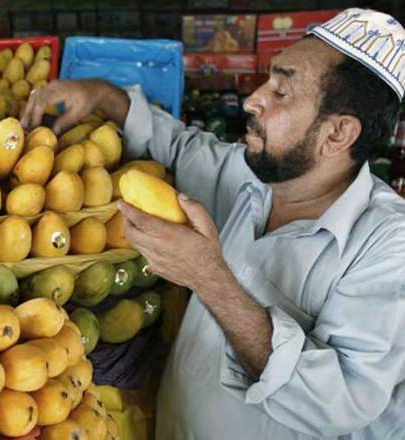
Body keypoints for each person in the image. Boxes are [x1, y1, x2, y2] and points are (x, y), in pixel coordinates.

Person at [21, 8, 405, 439]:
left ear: (338, 134)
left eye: (281, 91)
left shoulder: (387, 246)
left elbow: (339, 402)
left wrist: (208, 277)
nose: (252, 100)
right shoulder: (260, 179)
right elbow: (183, 148)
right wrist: (102, 95)